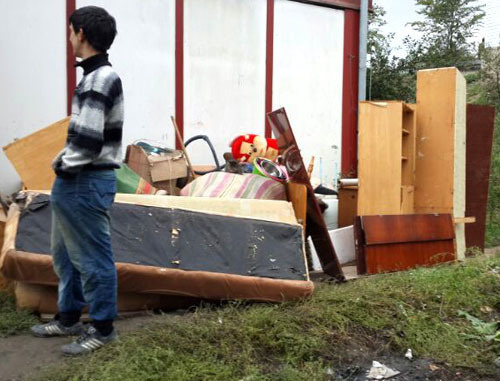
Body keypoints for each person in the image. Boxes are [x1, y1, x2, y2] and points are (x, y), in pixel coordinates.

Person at [30, 6, 124, 356]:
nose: (69, 38)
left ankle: (103, 329)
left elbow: (86, 143)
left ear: (81, 33)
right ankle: (69, 317)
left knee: (93, 259)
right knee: (66, 256)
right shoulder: (92, 76)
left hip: (85, 180)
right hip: (78, 180)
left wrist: (60, 165)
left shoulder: (101, 78)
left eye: (71, 32)